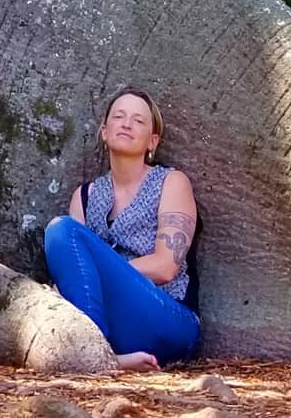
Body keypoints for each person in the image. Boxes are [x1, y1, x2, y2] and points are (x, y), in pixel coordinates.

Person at [43, 88, 201, 372]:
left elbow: (166, 266)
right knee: (59, 233)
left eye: (138, 120)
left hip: (168, 318)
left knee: (63, 230)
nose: (127, 124)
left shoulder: (171, 182)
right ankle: (100, 354)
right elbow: (74, 271)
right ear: (104, 131)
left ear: (152, 141)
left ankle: (94, 355)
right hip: (115, 326)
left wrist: (100, 270)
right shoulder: (85, 196)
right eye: (119, 116)